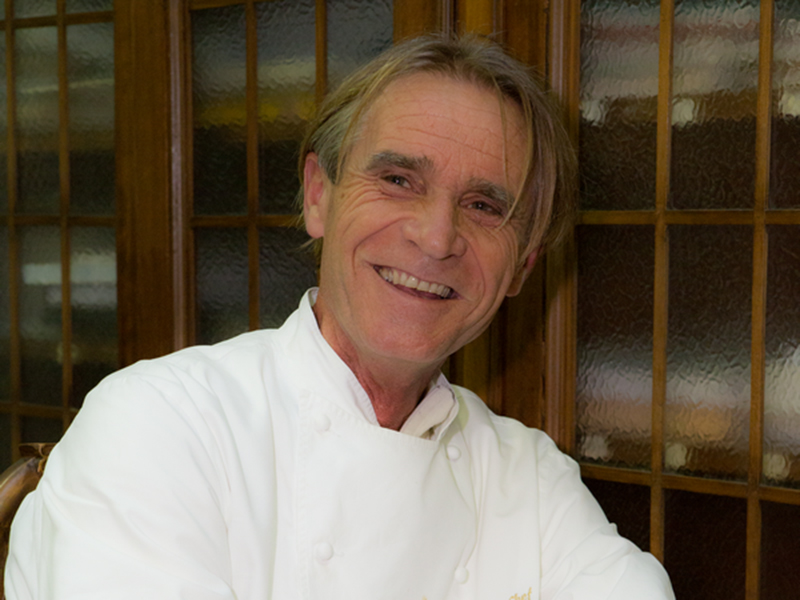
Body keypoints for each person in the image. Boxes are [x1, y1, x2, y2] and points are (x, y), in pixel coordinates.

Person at [6, 34, 674, 599]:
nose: (436, 237)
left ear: (522, 266)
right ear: (318, 196)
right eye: (398, 180)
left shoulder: (528, 477)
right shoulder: (161, 424)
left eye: (484, 206)